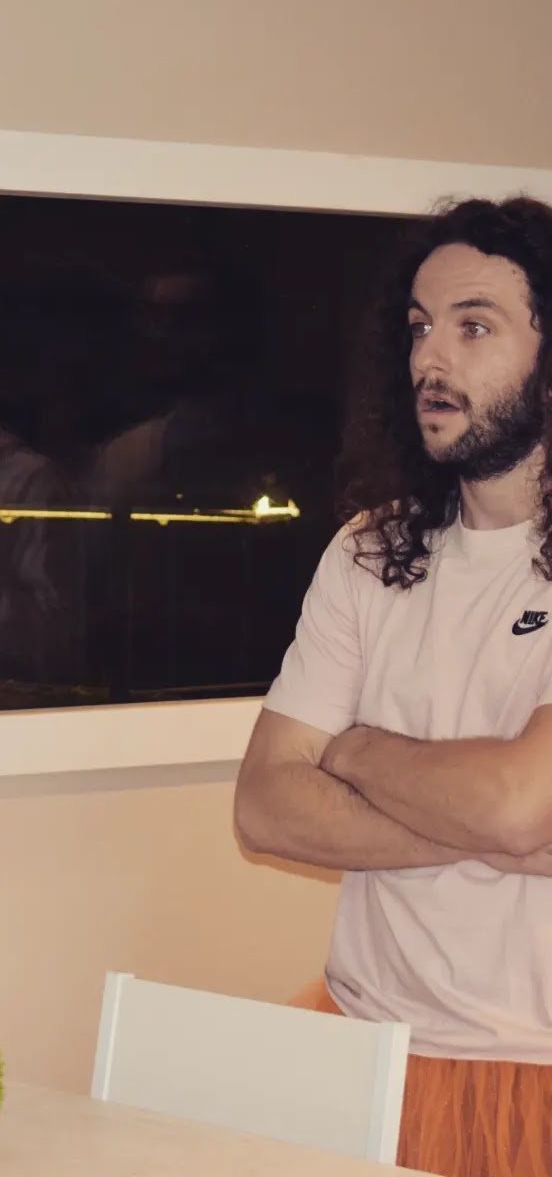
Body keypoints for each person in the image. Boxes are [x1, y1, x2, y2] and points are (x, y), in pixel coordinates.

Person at [235, 195, 552, 1177]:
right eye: (419, 327)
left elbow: (519, 801)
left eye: (473, 326)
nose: (430, 359)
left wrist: (352, 751)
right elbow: (264, 808)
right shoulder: (368, 550)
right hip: (363, 1044)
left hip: (533, 1072)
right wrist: (494, 833)